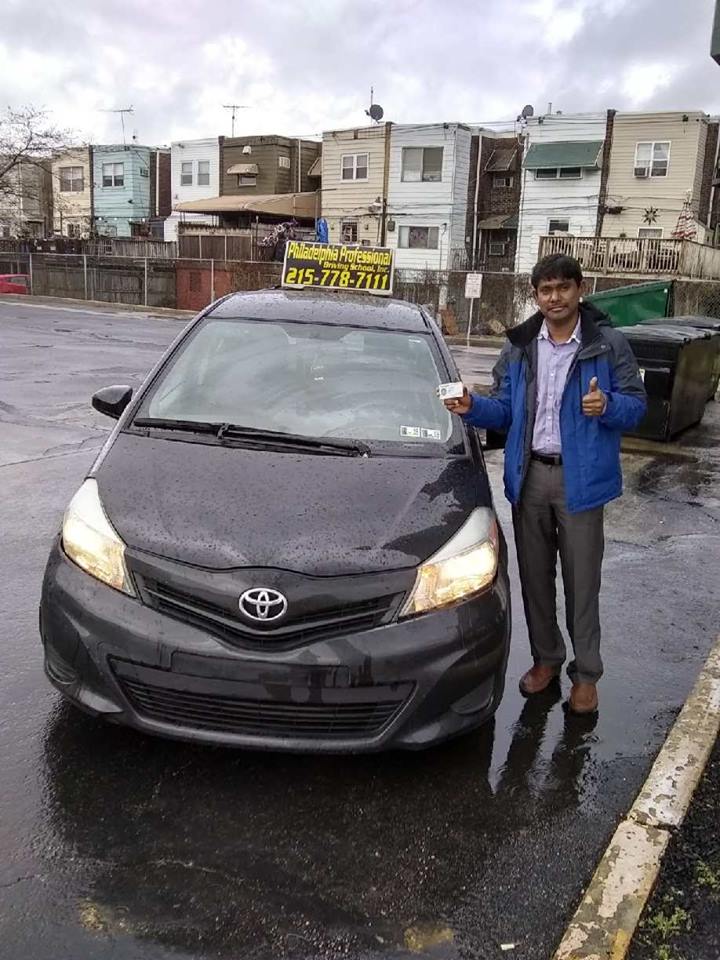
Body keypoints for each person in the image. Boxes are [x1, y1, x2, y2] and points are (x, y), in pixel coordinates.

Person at [444, 254, 647, 715]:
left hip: (582, 481)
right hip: (530, 476)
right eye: (546, 290)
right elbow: (504, 411)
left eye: (563, 288)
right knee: (535, 579)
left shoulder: (607, 344)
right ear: (535, 296)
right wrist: (473, 407)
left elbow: (637, 406)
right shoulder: (520, 346)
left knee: (582, 583)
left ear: (579, 290)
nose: (555, 298)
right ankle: (546, 660)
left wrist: (608, 405)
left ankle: (586, 675)